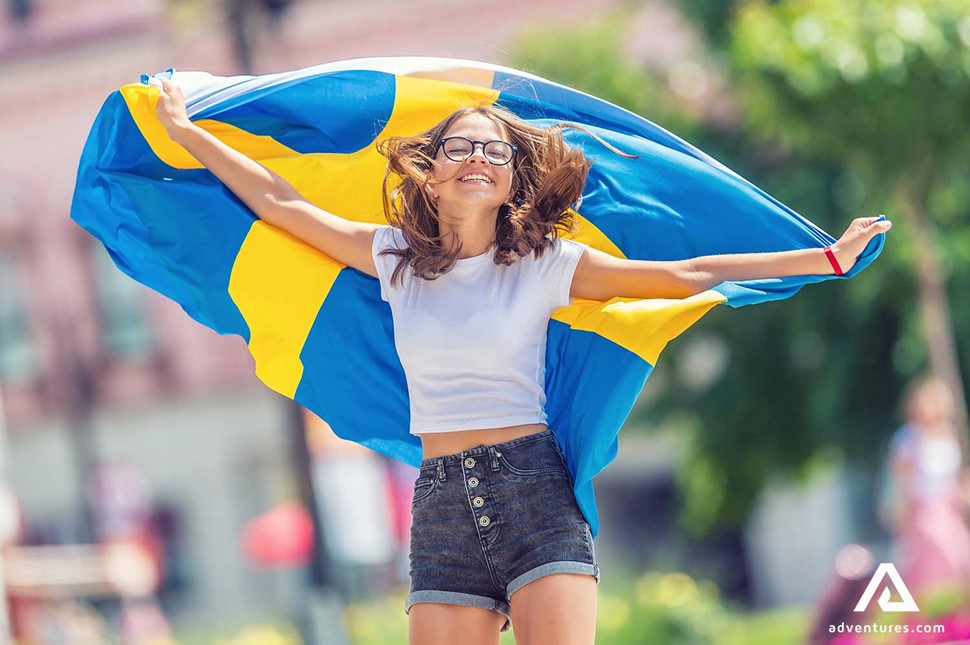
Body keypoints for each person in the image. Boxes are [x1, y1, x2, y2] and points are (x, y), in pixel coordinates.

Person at [153, 76, 891, 645]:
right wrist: (186, 133)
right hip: (440, 506)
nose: (478, 157)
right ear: (432, 171)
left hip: (534, 497)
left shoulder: (543, 263)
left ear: (510, 180)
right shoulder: (393, 258)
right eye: (460, 146)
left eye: (495, 150)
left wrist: (822, 257)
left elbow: (689, 272)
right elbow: (279, 200)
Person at [884, 376, 970, 600]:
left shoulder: (949, 434)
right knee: (931, 563)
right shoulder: (907, 439)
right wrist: (901, 516)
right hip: (923, 512)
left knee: (957, 560)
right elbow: (902, 482)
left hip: (949, 511)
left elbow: (954, 478)